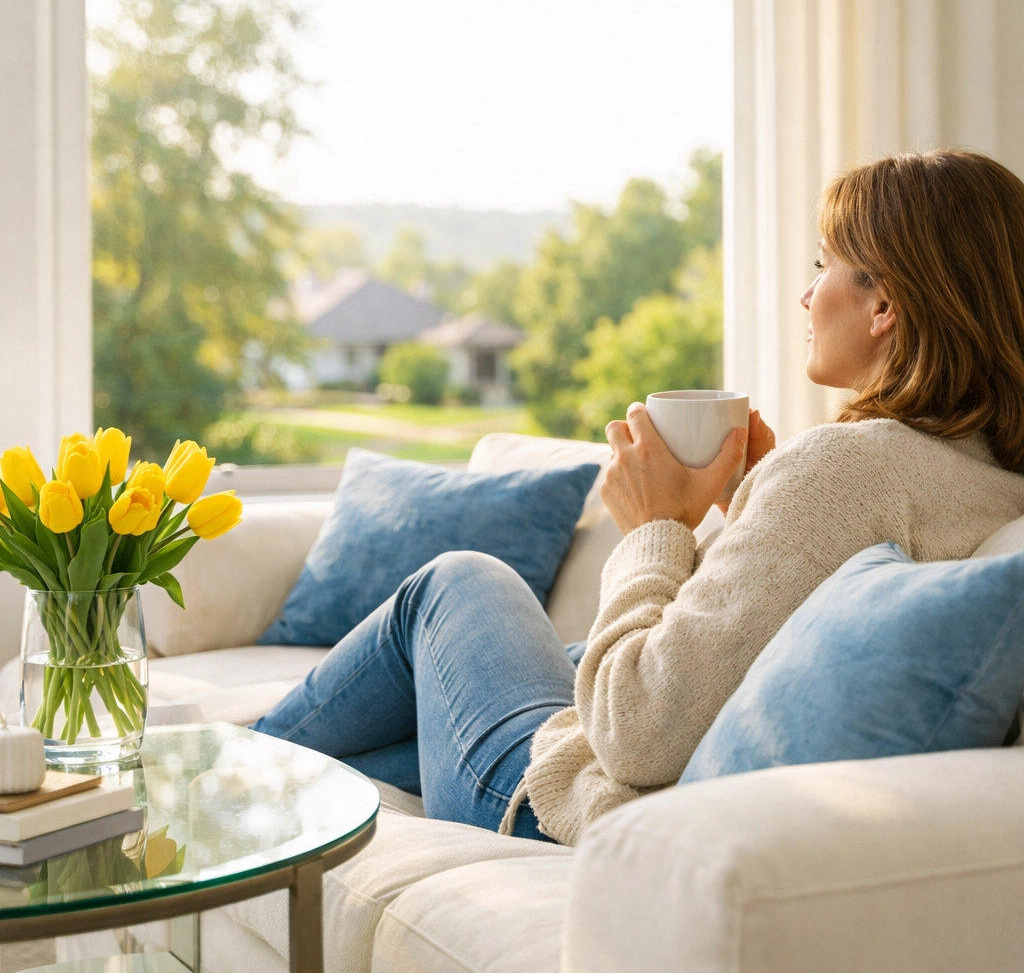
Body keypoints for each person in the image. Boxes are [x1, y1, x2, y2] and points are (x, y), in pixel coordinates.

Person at [253, 150, 1024, 846]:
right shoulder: (988, 480)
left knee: (456, 582)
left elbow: (638, 731)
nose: (805, 293)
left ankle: (218, 779)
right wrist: (754, 506)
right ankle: (247, 768)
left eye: (823, 265)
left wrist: (654, 530)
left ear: (884, 306)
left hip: (581, 819)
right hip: (665, 790)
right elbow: (751, 651)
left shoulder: (847, 468)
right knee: (368, 743)